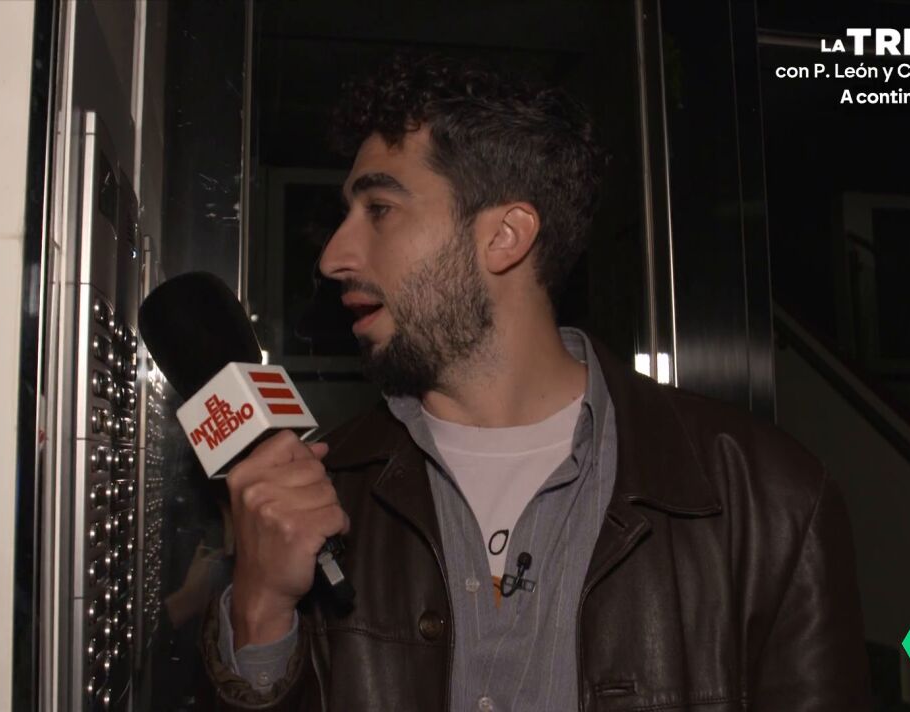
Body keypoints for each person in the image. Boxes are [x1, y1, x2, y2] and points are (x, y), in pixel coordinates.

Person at [199, 53, 872, 711]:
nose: (332, 256)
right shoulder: (319, 492)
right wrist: (260, 608)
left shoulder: (767, 499)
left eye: (379, 209)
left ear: (505, 236)